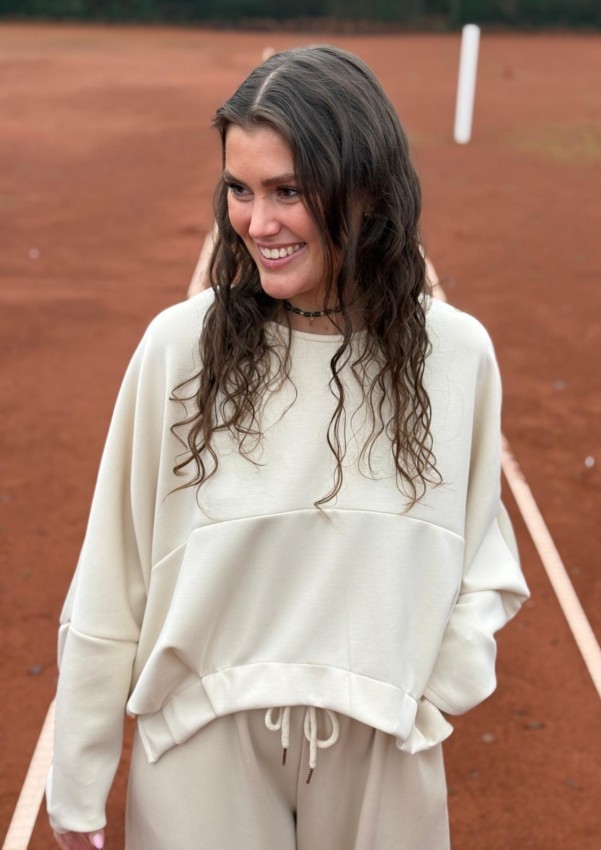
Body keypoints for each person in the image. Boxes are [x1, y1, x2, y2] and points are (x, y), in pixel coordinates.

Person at [46, 45, 529, 850]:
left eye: (288, 191)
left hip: (384, 745)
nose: (257, 223)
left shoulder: (456, 355)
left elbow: (484, 554)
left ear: (367, 188)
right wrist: (78, 782)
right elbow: (112, 569)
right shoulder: (179, 349)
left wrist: (432, 687)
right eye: (239, 189)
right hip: (202, 750)